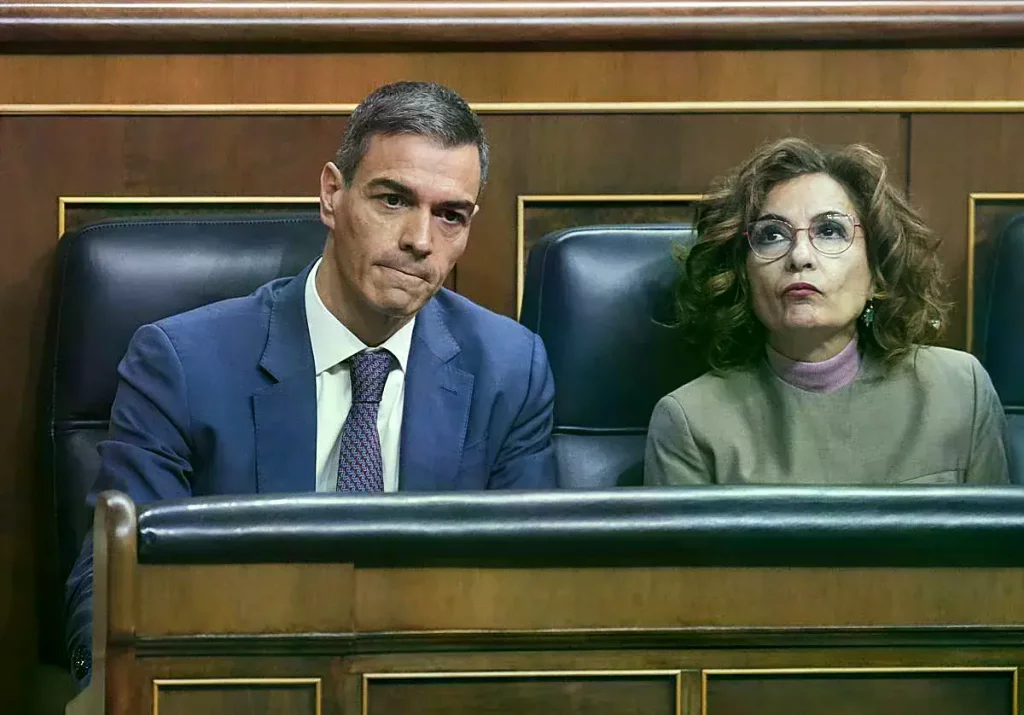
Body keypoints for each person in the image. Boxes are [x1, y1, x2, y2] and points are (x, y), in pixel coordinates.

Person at [65, 81, 558, 686]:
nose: (420, 241)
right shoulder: (182, 363)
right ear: (332, 195)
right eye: (393, 199)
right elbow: (113, 580)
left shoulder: (510, 369)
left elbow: (534, 591)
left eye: (449, 215)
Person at [645, 137, 1009, 486]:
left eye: (831, 231)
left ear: (877, 273)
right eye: (772, 235)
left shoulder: (960, 390)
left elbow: (993, 549)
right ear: (741, 275)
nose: (800, 256)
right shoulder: (691, 422)